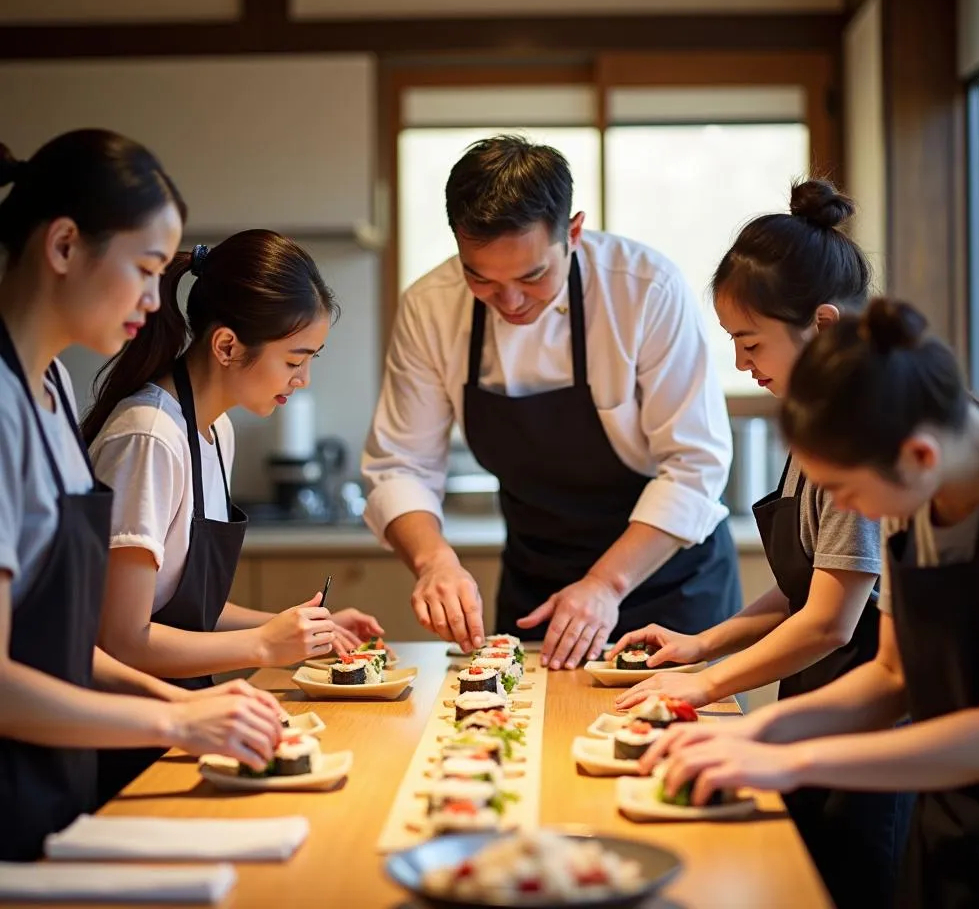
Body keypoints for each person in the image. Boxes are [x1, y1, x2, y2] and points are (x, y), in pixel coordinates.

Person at [643, 298, 979, 909]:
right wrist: (760, 732)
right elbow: (892, 675)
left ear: (919, 456)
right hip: (948, 819)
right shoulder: (917, 492)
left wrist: (795, 763)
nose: (852, 516)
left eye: (846, 492)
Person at [607, 181, 910, 908]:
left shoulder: (867, 434)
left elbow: (834, 619)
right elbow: (810, 585)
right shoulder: (816, 426)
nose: (742, 365)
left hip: (863, 734)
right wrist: (701, 645)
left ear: (824, 324)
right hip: (817, 712)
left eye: (751, 342)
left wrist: (707, 687)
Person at [0, 130, 281, 861]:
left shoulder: (52, 390)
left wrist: (186, 704)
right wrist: (178, 724)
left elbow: (59, 639)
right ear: (64, 247)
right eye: (146, 269)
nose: (157, 300)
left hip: (58, 790)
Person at [363, 135, 740, 668]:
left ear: (574, 233)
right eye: (481, 278)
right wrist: (433, 562)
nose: (510, 301)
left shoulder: (644, 289)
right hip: (536, 586)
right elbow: (400, 465)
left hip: (668, 582)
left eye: (532, 275)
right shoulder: (430, 307)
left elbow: (695, 465)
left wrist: (606, 584)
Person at [82, 229, 383, 798]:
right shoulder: (148, 437)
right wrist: (265, 646)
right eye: (295, 359)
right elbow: (122, 638)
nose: (303, 379)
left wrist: (300, 627)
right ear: (226, 346)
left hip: (185, 720)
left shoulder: (213, 431)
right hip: (123, 734)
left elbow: (183, 611)